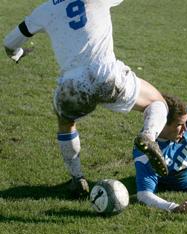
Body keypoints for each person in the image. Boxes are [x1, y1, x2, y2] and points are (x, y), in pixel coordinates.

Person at [3, 0, 169, 197]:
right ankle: (149, 136)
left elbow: (9, 43)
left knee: (66, 122)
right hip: (107, 75)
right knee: (156, 102)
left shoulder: (45, 9)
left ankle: (77, 178)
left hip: (73, 85)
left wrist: (17, 53)